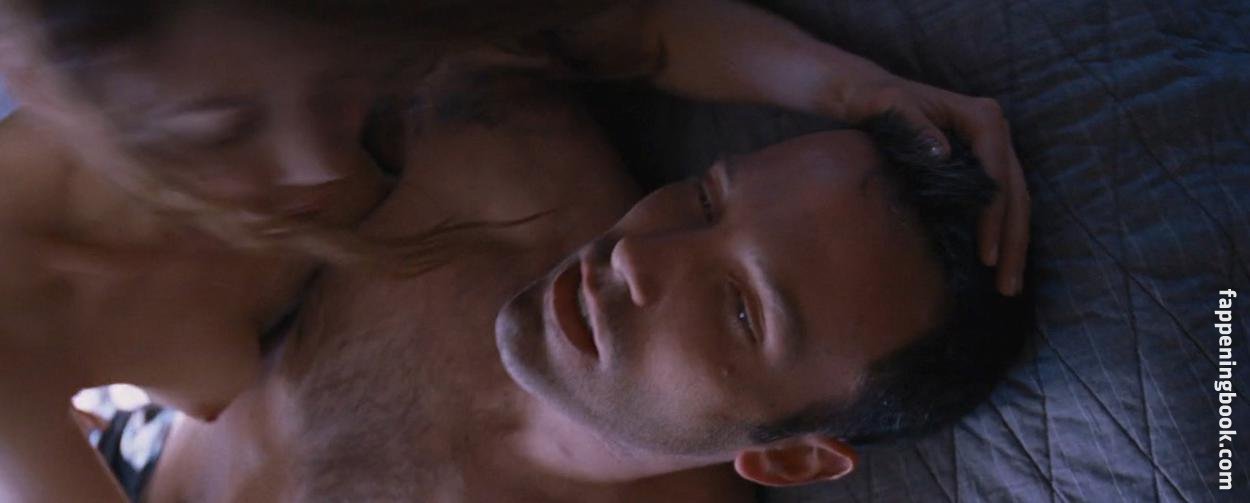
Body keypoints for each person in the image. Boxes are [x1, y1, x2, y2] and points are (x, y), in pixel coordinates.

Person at [141, 2, 1029, 501]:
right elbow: (627, 23)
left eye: (740, 309)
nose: (642, 255)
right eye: (706, 198)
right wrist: (852, 86)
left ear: (790, 457)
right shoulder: (500, 163)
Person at [0, 1, 610, 501]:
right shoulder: (15, 352)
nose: (318, 165)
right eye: (224, 128)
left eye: (332, 88)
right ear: (44, 88)